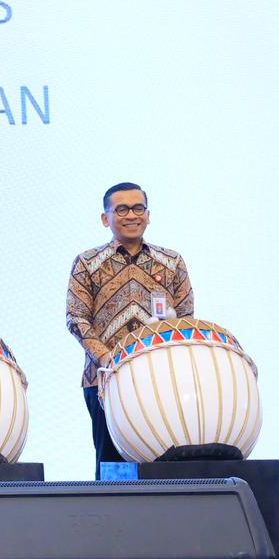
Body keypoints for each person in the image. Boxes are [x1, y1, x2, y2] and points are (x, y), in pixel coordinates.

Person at [66, 182, 194, 476]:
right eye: (121, 209)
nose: (131, 215)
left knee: (165, 462)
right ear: (105, 218)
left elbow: (186, 317)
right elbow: (76, 318)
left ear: (148, 215)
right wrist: (108, 359)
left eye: (138, 208)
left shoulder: (171, 261)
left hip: (163, 380)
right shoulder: (87, 263)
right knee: (112, 467)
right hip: (105, 379)